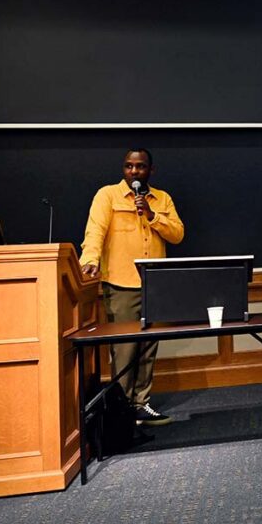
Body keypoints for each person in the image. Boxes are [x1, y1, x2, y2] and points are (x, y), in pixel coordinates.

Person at [80, 149, 185, 426]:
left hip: (156, 284)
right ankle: (122, 409)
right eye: (128, 166)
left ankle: (142, 404)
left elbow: (177, 234)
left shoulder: (162, 199)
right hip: (121, 284)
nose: (134, 172)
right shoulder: (108, 196)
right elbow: (95, 231)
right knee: (125, 349)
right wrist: (90, 259)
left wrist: (152, 215)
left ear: (151, 170)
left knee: (148, 348)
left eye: (140, 167)